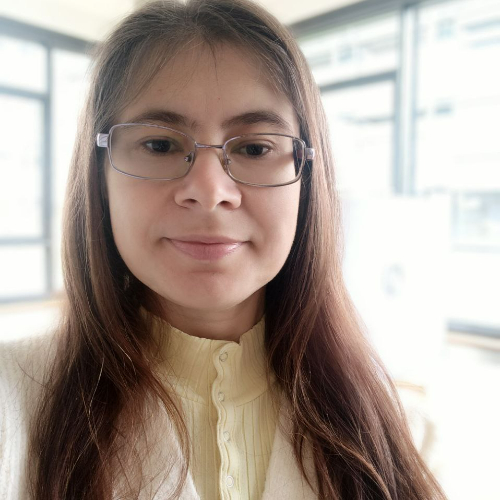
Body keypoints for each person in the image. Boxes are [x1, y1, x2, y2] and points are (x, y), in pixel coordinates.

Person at [0, 1, 448, 499]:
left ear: (307, 175)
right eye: (160, 145)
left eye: (255, 148)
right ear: (98, 174)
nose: (210, 191)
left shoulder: (401, 436)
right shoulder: (12, 403)